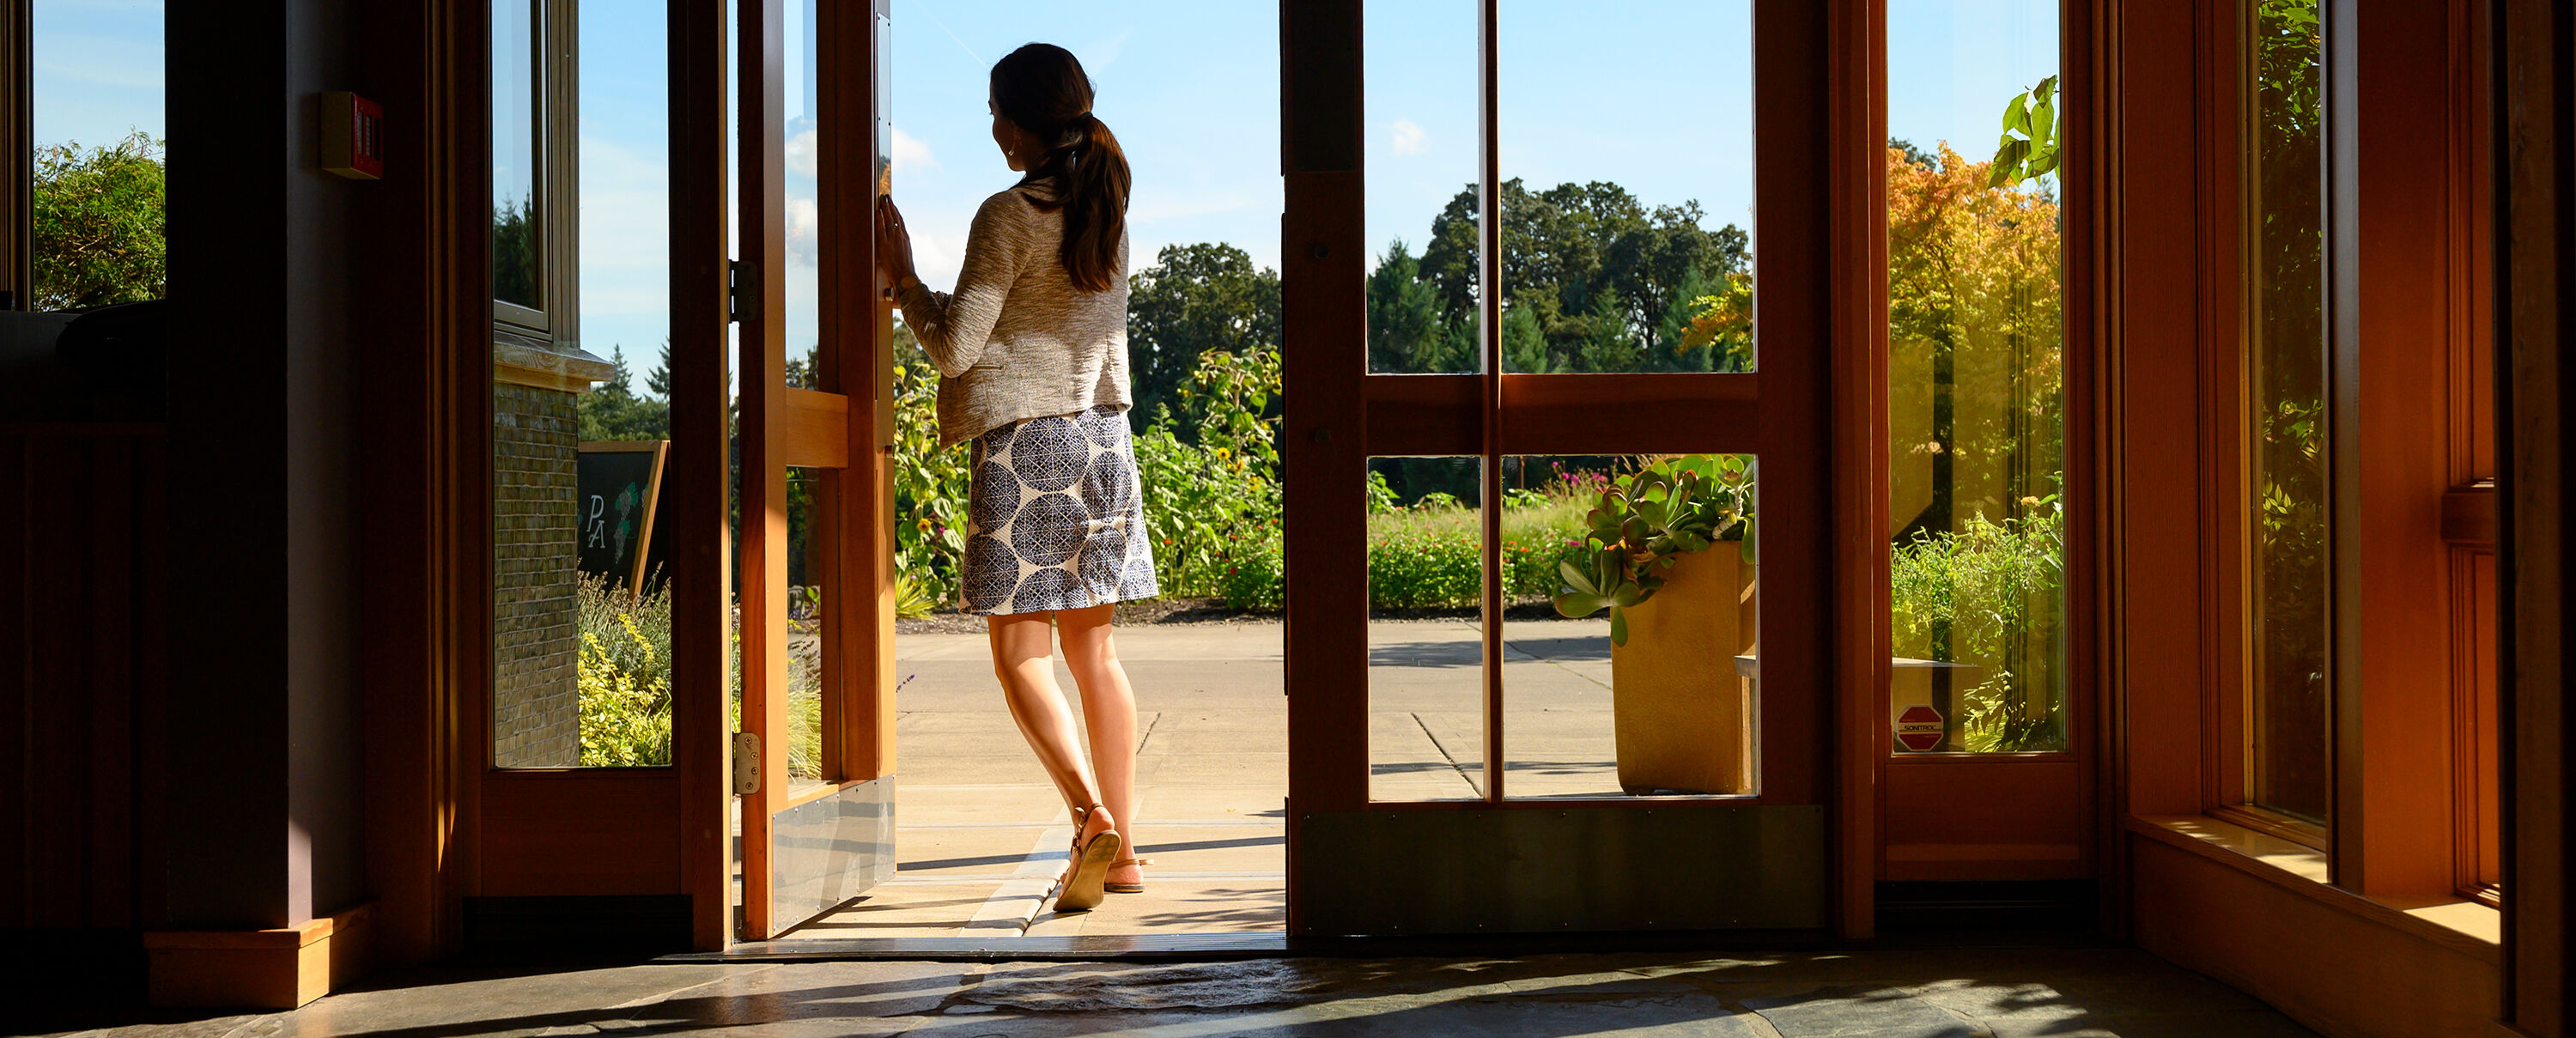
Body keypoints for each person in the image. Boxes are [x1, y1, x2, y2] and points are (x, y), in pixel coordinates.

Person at [874, 42, 1152, 914]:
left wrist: (903, 282)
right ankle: (1129, 854)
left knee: (1019, 654)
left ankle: (1088, 815)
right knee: (1095, 653)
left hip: (1029, 447)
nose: (991, 127)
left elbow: (957, 348)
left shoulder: (1008, 213)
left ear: (1024, 119)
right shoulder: (1106, 203)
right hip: (1105, 441)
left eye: (996, 111)